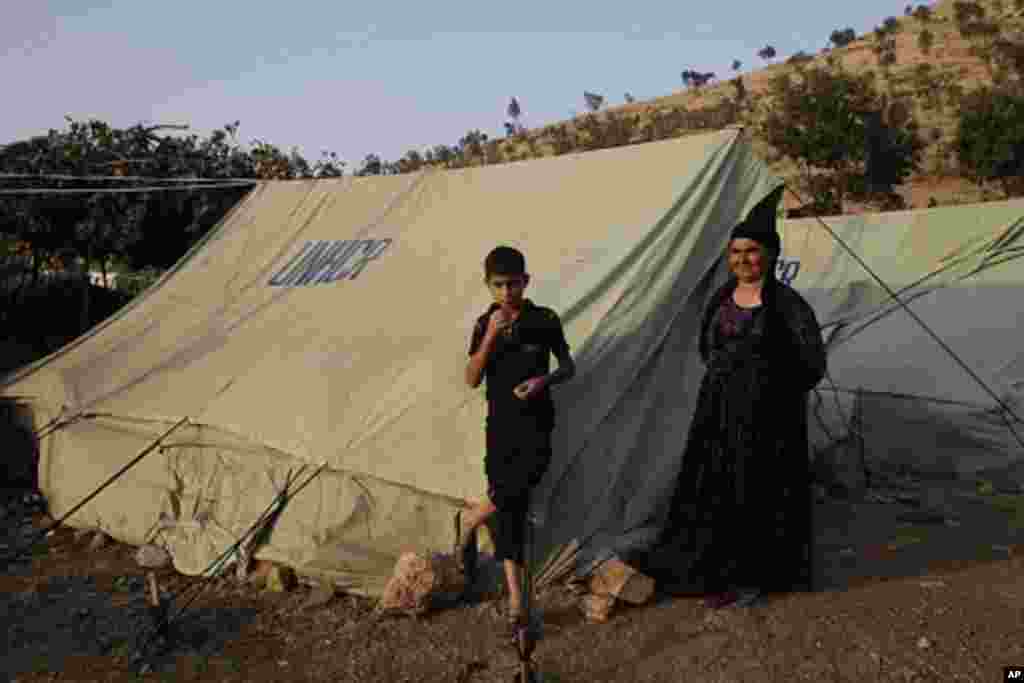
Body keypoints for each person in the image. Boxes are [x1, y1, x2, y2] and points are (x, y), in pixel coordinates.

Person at [642, 214, 827, 609]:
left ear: (771, 255)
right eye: (736, 252)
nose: (743, 259)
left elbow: (813, 363)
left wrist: (771, 387)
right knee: (716, 488)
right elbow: (707, 349)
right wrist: (729, 380)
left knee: (760, 493)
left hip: (770, 421)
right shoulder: (721, 299)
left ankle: (756, 576)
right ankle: (715, 572)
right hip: (720, 412)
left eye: (752, 252)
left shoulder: (790, 306)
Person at [459, 246, 575, 628]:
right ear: (488, 285)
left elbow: (568, 366)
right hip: (501, 425)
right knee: (513, 511)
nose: (506, 292)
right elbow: (472, 378)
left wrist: (544, 380)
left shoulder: (544, 319)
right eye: (498, 285)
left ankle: (474, 516)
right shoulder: (483, 323)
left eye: (513, 284)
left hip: (538, 420)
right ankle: (516, 602)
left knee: (528, 479)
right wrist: (491, 335)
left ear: (526, 281)